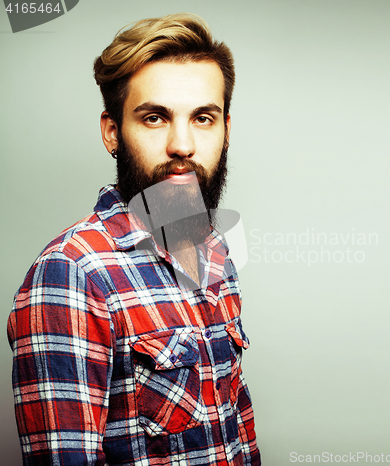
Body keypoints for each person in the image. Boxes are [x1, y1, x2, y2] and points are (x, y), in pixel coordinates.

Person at [7, 13, 260, 466]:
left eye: (203, 118)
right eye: (155, 118)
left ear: (226, 130)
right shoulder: (71, 274)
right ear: (112, 132)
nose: (182, 145)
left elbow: (238, 434)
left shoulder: (215, 251)